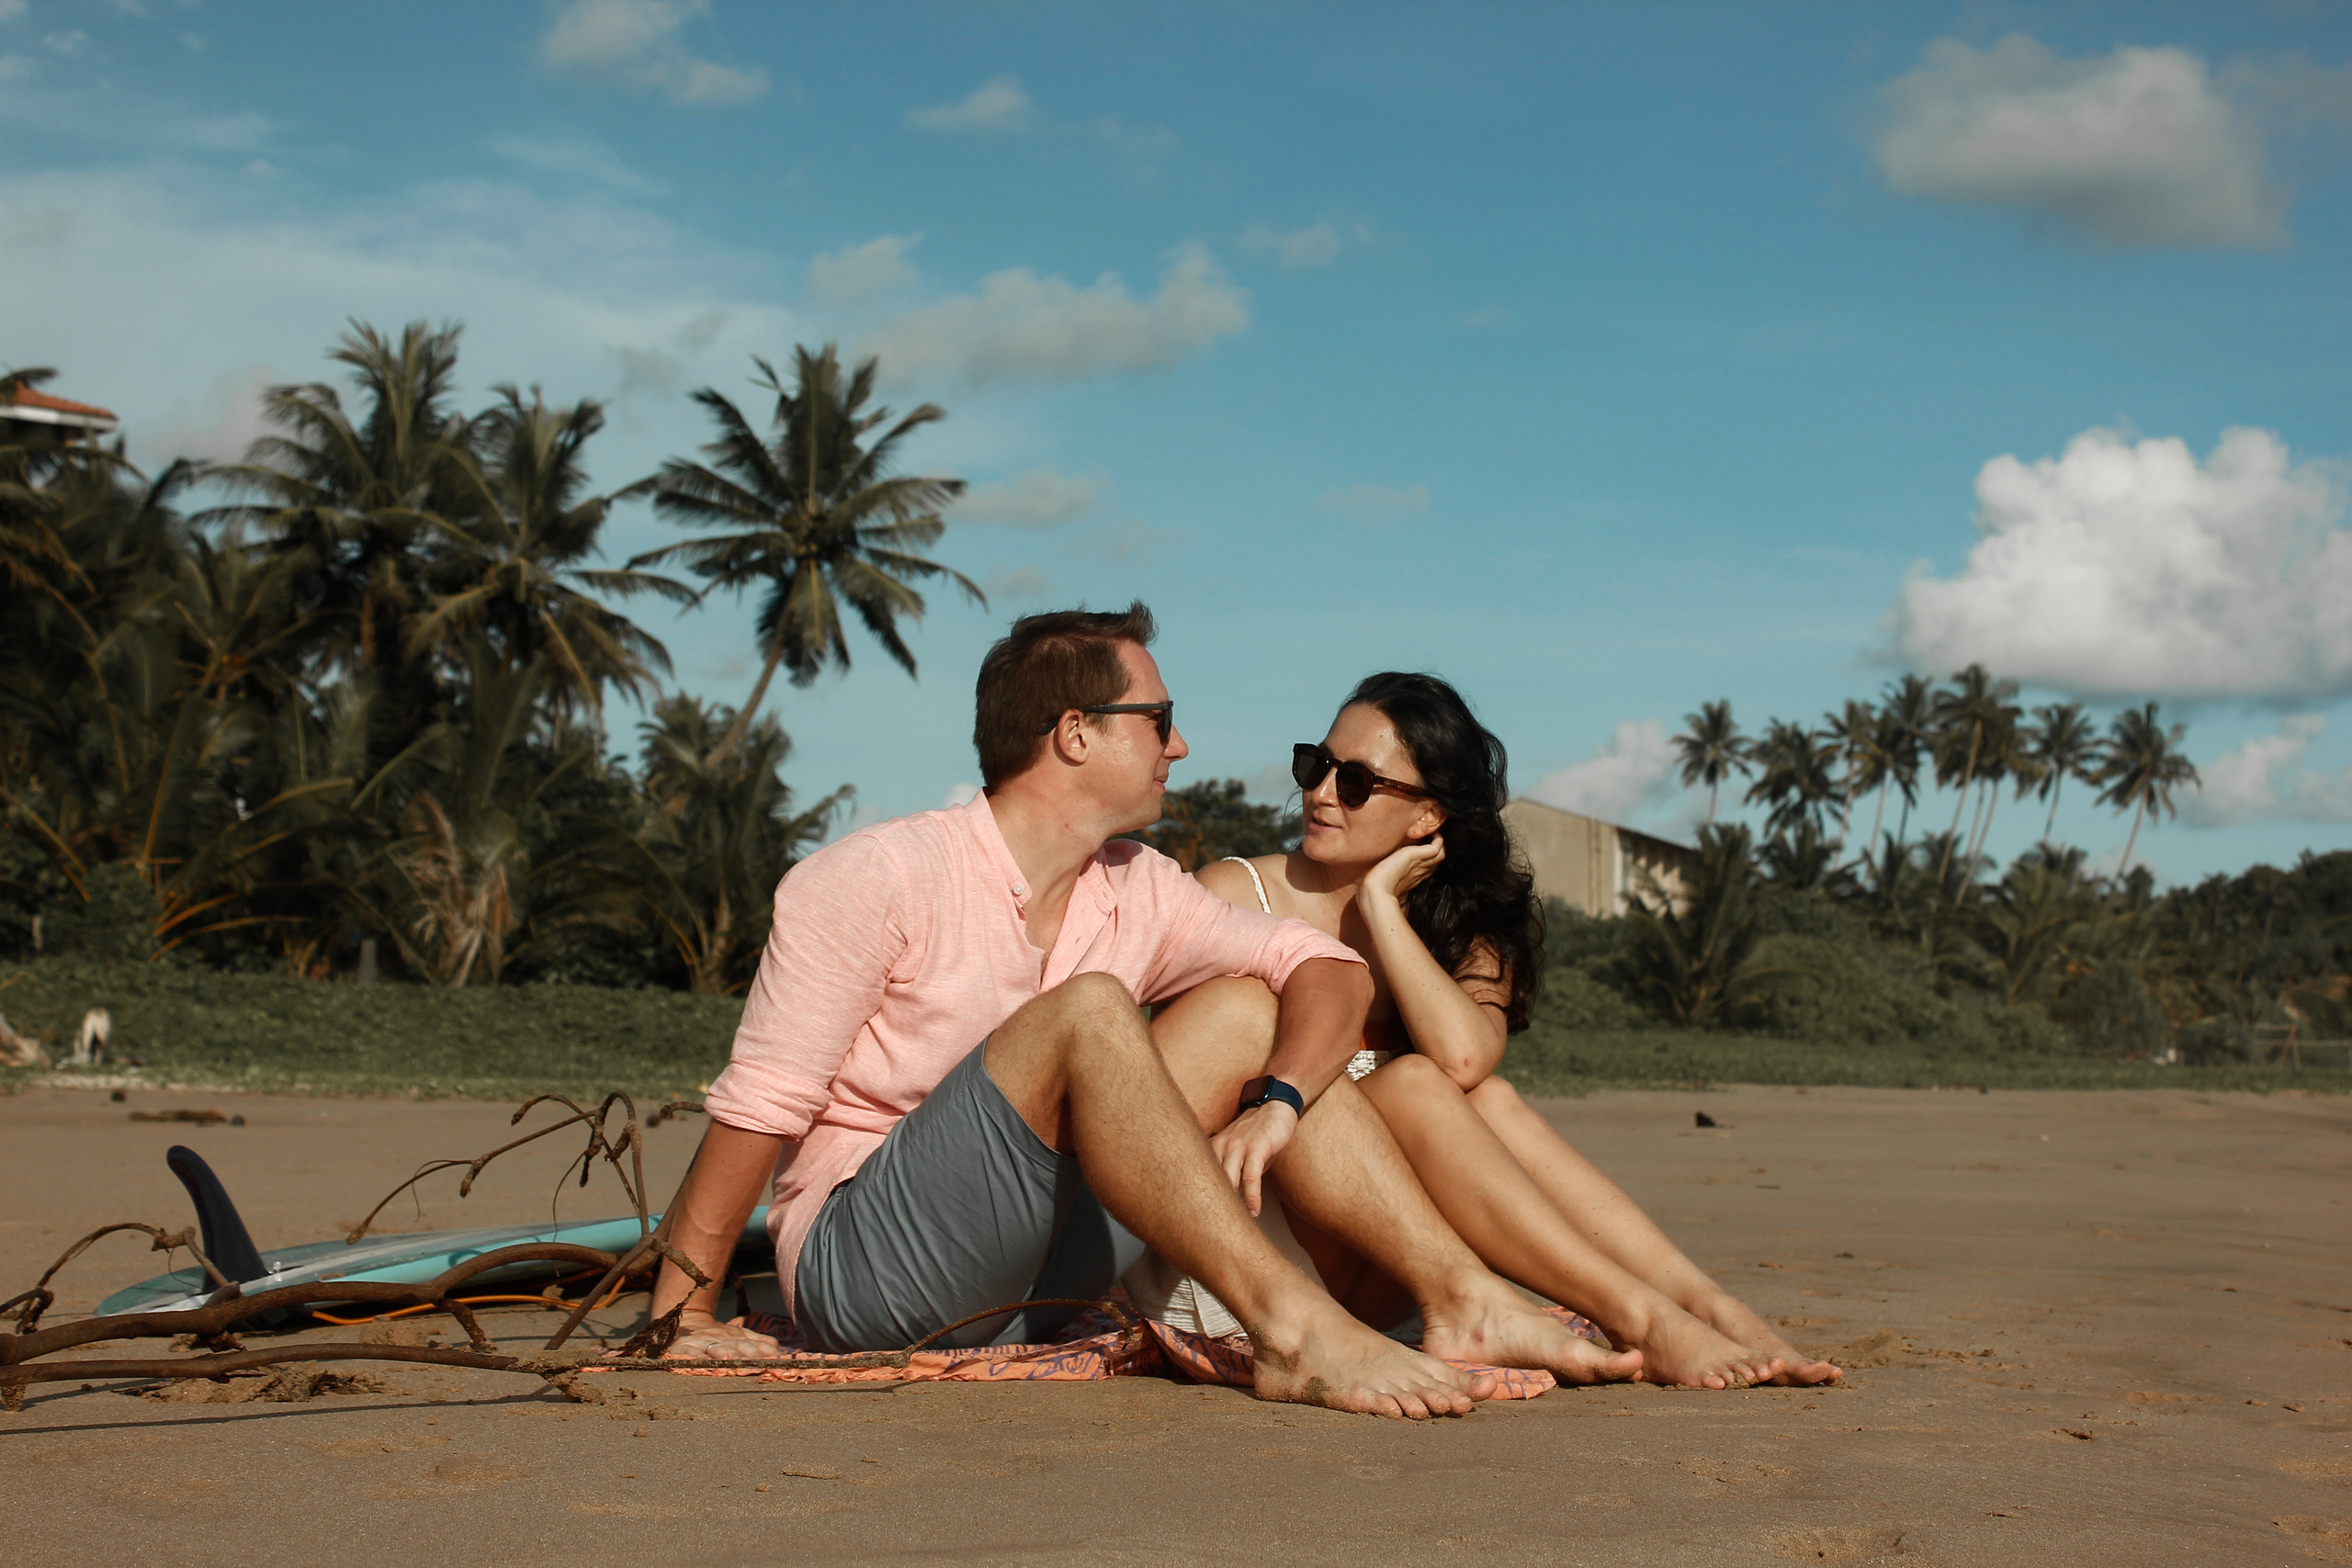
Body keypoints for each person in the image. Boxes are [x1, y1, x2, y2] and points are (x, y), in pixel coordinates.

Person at [646, 606, 1638, 1419]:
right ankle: (1291, 1330)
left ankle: (1458, 1296)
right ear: (1076, 732)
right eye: (1158, 720)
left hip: (1037, 1283)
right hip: (870, 1270)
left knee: (1248, 1008)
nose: (1182, 743)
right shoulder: (877, 876)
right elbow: (762, 1104)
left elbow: (1324, 970)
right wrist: (679, 1308)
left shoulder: (1139, 886)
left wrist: (1280, 1101)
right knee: (1088, 1013)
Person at [1164, 671, 1840, 1389]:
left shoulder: (1455, 921)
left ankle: (1711, 1307)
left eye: (1357, 780)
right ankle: (1645, 1318)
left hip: (1386, 1264)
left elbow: (1468, 1057)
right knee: (1416, 1082)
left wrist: (1382, 908)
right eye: (1315, 764)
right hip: (1253, 1255)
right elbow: (1177, 1098)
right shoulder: (1237, 895)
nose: (1321, 791)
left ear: (1427, 819)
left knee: (1490, 1100)